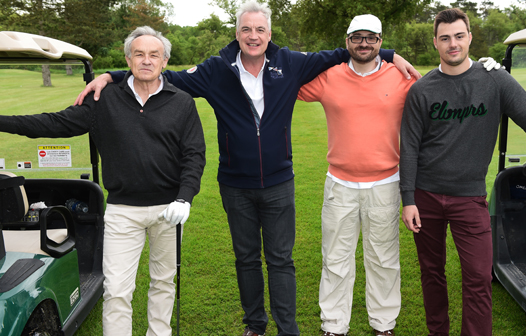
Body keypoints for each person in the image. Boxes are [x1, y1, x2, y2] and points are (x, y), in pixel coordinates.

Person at [73, 2, 420, 336]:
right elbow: (166, 76)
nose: (253, 35)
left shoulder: (291, 63)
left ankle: (288, 329)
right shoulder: (215, 69)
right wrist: (110, 75)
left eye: (260, 29)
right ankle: (255, 324)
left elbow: (348, 51)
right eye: (246, 29)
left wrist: (389, 54)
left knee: (281, 260)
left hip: (280, 181)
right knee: (246, 259)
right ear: (237, 34)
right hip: (235, 183)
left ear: (269, 34)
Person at [0, 26, 206, 336]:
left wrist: (185, 197)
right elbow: (53, 123)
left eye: (154, 55)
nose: (146, 60)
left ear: (164, 61)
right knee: (118, 289)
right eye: (139, 54)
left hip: (168, 208)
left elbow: (194, 155)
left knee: (163, 281)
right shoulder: (103, 98)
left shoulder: (182, 103)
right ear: (128, 59)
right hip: (124, 211)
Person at [399, 8, 526, 336]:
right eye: (445, 38)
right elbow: (409, 147)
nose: (452, 44)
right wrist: (408, 198)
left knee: (479, 279)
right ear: (436, 43)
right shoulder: (422, 91)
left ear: (469, 36)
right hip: (425, 197)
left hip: (469, 199)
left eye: (458, 36)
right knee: (432, 274)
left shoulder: (495, 80)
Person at [297, 14, 415, 336]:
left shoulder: (400, 76)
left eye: (371, 38)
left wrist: (479, 67)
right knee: (335, 259)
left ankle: (383, 325)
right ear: (347, 41)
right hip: (340, 184)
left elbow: (440, 90)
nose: (364, 43)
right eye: (357, 37)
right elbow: (286, 78)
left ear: (380, 41)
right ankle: (334, 326)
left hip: (386, 183)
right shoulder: (329, 75)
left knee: (383, 259)